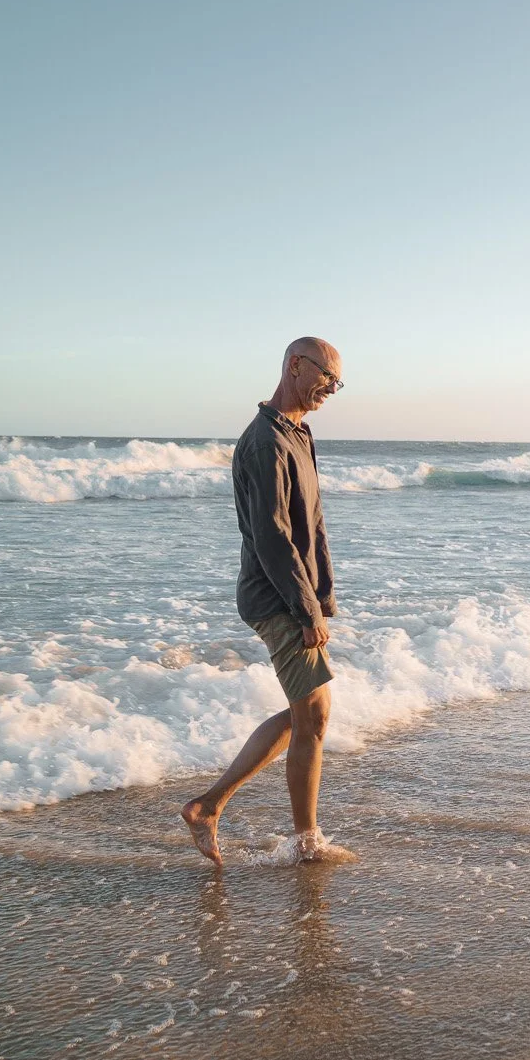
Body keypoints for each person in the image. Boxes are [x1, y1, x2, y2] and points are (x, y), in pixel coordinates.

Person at [182, 337, 346, 866]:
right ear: (296, 366)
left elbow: (312, 525)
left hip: (296, 592)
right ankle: (305, 842)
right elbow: (272, 536)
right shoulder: (264, 442)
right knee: (315, 714)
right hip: (274, 593)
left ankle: (209, 806)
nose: (331, 389)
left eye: (338, 383)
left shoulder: (298, 433)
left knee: (308, 713)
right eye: (326, 376)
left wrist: (322, 599)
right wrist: (303, 608)